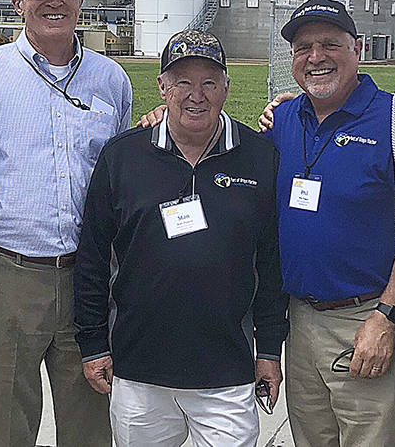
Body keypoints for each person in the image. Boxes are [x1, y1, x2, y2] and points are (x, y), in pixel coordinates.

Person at [0, 0, 132, 447]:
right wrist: (2, 232)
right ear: (17, 1)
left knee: (91, 416)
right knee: (4, 418)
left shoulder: (110, 79)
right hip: (8, 273)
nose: (53, 1)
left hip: (88, 274)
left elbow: (119, 175)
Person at [75, 29, 287, 447]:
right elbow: (93, 259)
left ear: (227, 87)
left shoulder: (261, 157)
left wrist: (269, 349)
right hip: (139, 372)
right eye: (183, 82)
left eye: (209, 82)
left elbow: (271, 264)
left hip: (227, 372)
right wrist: (93, 343)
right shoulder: (122, 157)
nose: (197, 95)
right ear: (162, 87)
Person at [262, 0, 395, 447]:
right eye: (303, 47)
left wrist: (387, 317)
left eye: (330, 44)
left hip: (367, 319)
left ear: (358, 48)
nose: (316, 57)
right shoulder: (284, 118)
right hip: (300, 321)